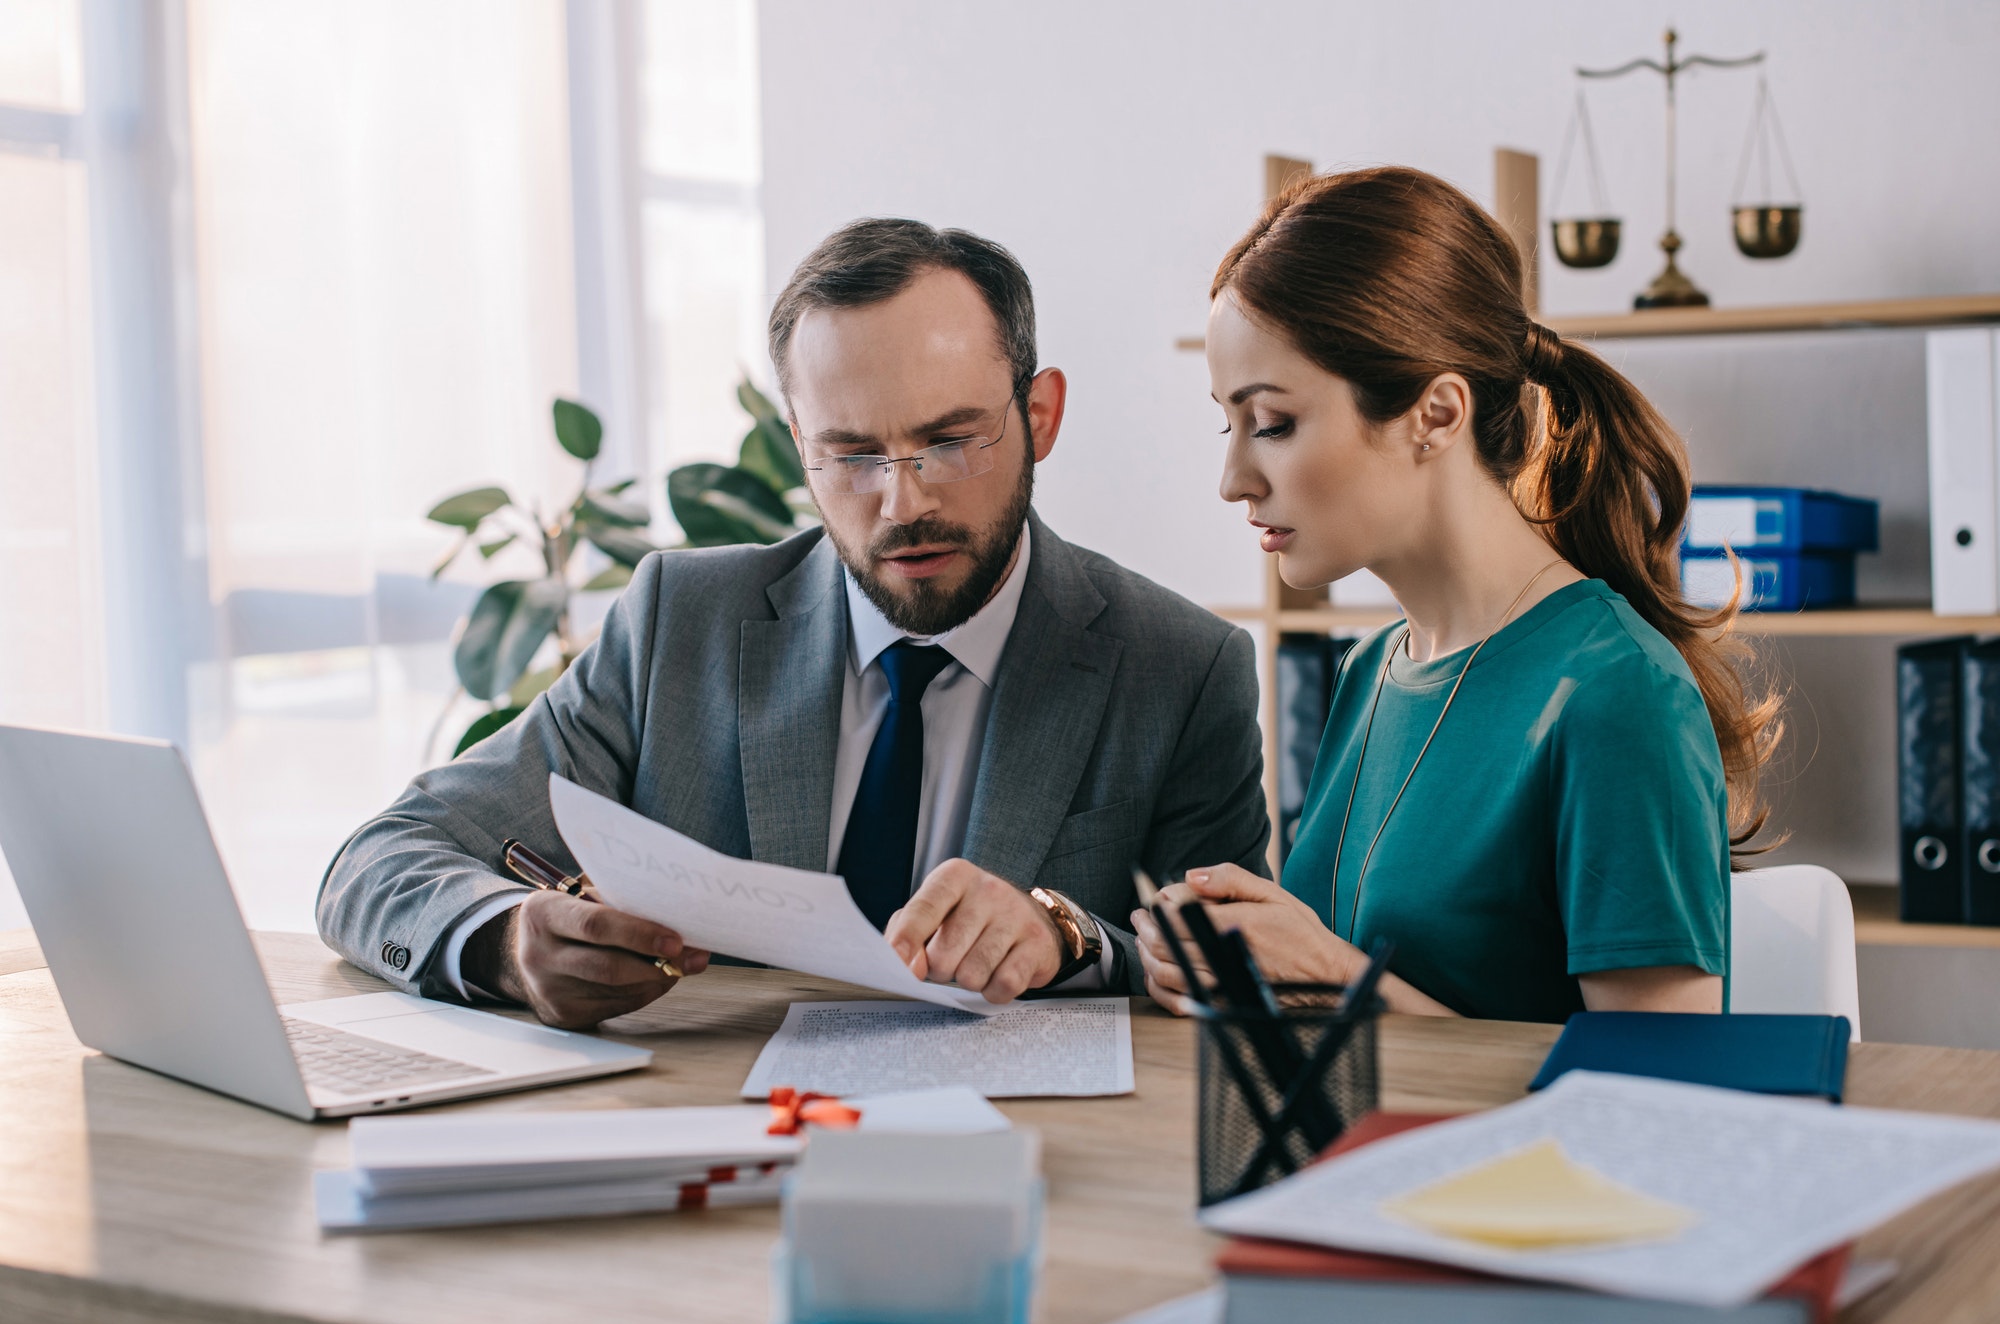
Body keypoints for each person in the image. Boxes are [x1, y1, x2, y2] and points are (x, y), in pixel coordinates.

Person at [318, 218, 1268, 1028]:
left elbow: (1242, 967)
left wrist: (1073, 935)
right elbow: (378, 859)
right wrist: (505, 942)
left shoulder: (1178, 667)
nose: (902, 504)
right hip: (718, 1161)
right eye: (850, 454)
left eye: (948, 441)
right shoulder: (676, 626)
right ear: (799, 444)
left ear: (1040, 415)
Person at [1133, 166, 1780, 1023]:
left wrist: (1334, 982)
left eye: (1275, 424)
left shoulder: (1617, 693)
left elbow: (1656, 1094)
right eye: (1230, 423)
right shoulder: (1372, 671)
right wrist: (1240, 965)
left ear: (1436, 415)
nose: (1233, 479)